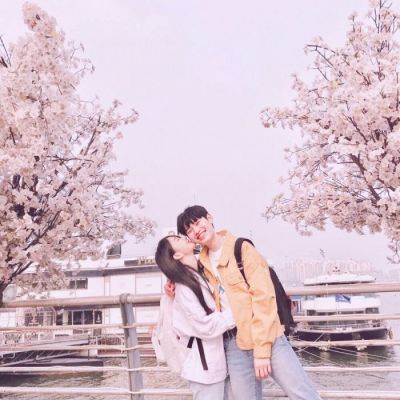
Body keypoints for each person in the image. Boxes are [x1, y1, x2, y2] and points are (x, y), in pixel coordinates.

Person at [165, 205, 321, 400]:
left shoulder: (242, 248)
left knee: (303, 394)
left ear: (210, 218)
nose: (196, 230)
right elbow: (181, 269)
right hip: (234, 343)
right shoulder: (201, 263)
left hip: (267, 337)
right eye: (189, 230)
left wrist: (262, 351)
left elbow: (264, 300)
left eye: (197, 222)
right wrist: (169, 286)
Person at [155, 235, 235, 400]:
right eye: (177, 239)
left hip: (212, 362)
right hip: (204, 367)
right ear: (177, 255)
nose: (184, 237)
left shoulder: (197, 274)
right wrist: (238, 312)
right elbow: (205, 327)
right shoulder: (184, 287)